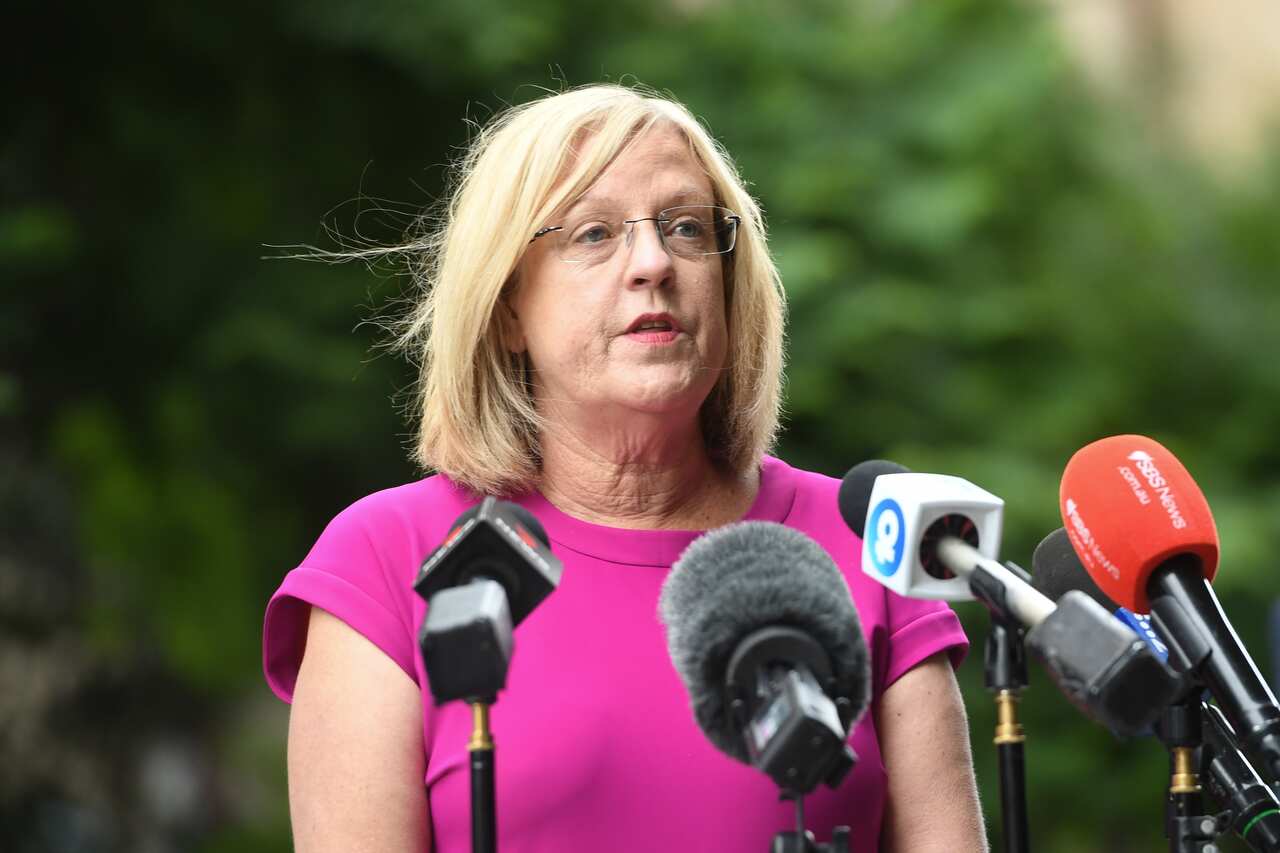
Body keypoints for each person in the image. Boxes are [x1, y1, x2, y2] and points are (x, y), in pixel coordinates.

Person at [263, 84, 988, 852]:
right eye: (593, 233)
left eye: (685, 227)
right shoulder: (386, 559)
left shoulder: (865, 542)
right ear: (508, 306)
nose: (653, 263)